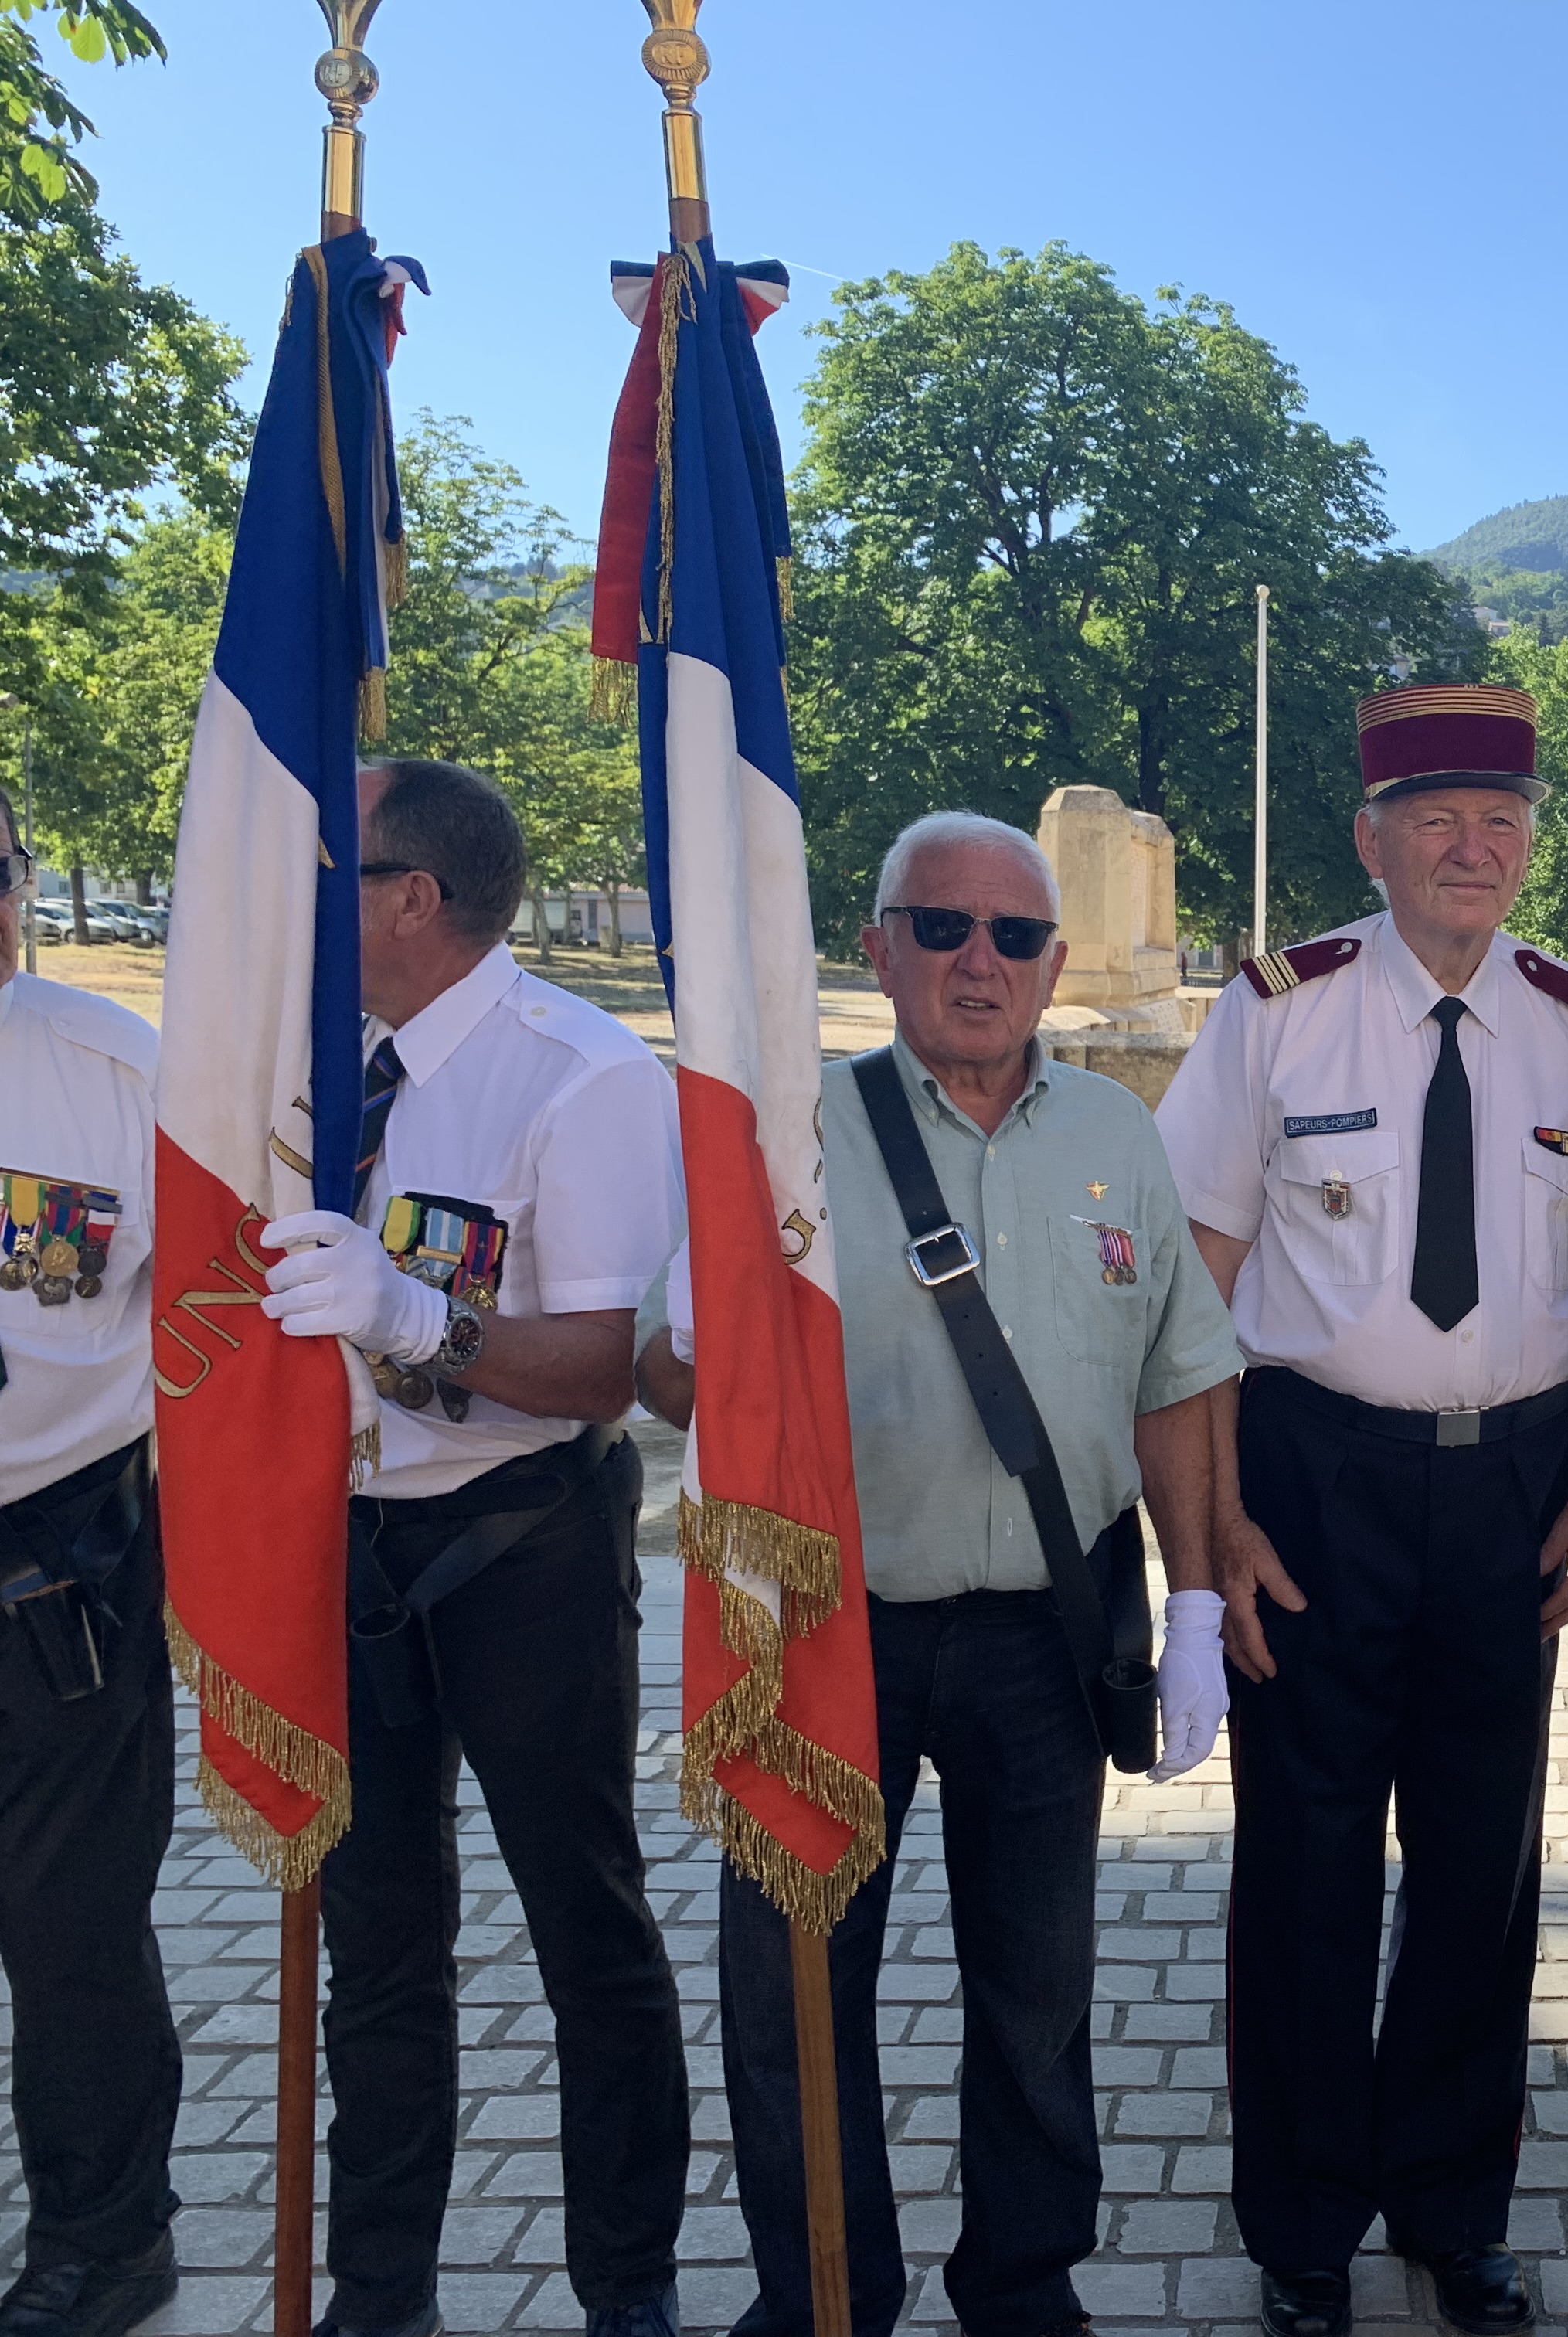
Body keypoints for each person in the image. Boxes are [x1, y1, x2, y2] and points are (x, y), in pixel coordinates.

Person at [638, 811, 1240, 2337]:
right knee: (793, 1997)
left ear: (1047, 967)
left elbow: (1180, 1384)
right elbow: (662, 1368)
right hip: (825, 1635)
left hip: (1047, 1639)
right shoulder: (788, 1136)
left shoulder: (1119, 1140)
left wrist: (1197, 1607)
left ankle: (1024, 2286)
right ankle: (823, 2291)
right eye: (946, 927)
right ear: (878, 943)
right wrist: (696, 1357)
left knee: (1035, 2001)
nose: (984, 962)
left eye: (1018, 937)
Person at [1154, 683, 1568, 2337]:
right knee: (1305, 1864)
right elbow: (1187, 1299)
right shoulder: (1276, 1016)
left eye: (1502, 819)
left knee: (1482, 1866)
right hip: (1312, 1479)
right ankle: (1300, 2223)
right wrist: (1204, 1537)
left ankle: (1449, 2200)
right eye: (1436, 818)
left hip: (1515, 1489)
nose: (1472, 847)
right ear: (1372, 837)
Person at [253, 759, 689, 2337]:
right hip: (337, 1549)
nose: (302, 902)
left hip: (521, 1551)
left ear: (412, 899)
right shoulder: (304, 1056)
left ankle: (627, 2286)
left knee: (589, 1930)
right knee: (374, 1944)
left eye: (328, 871)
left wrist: (413, 1317)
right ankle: (383, 2295)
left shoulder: (580, 1075)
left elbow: (604, 1370)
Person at [0, 786, 182, 2337]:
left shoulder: (110, 1067)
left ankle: (102, 2241)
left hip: (58, 1555)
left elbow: (203, 1317)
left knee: (70, 1938)